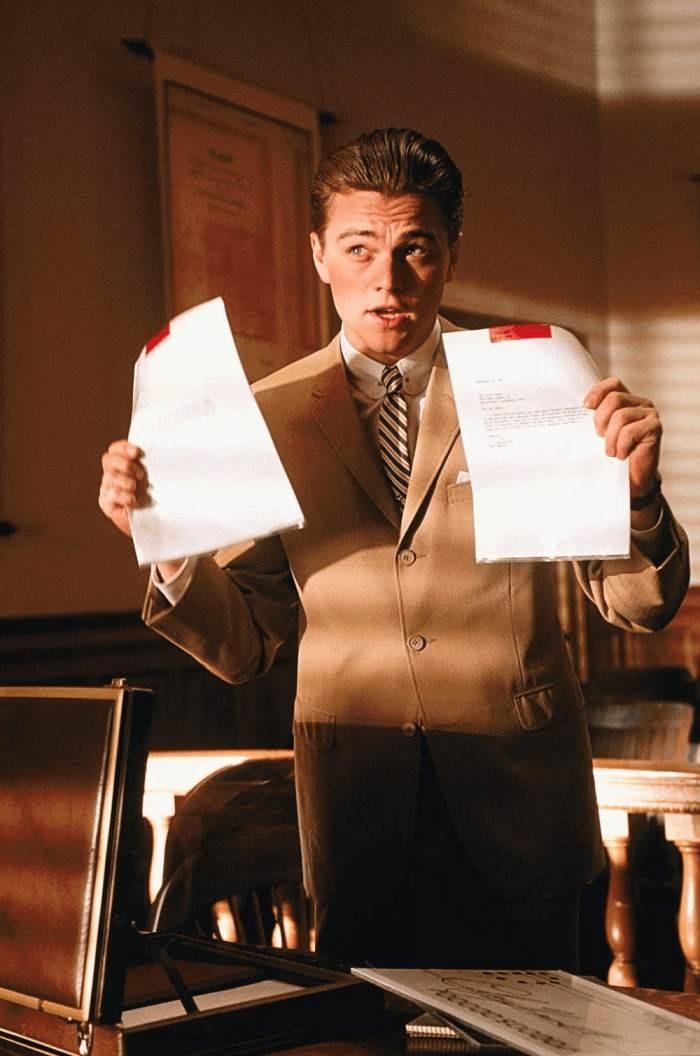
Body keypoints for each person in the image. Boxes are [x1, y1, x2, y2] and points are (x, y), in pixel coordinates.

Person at [99, 128, 689, 969]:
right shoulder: (267, 415)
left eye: (415, 247)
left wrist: (635, 499)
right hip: (358, 820)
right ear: (318, 255)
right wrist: (168, 550)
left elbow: (639, 605)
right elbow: (244, 644)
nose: (388, 278)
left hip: (526, 810)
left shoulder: (534, 381)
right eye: (359, 248)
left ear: (451, 253)